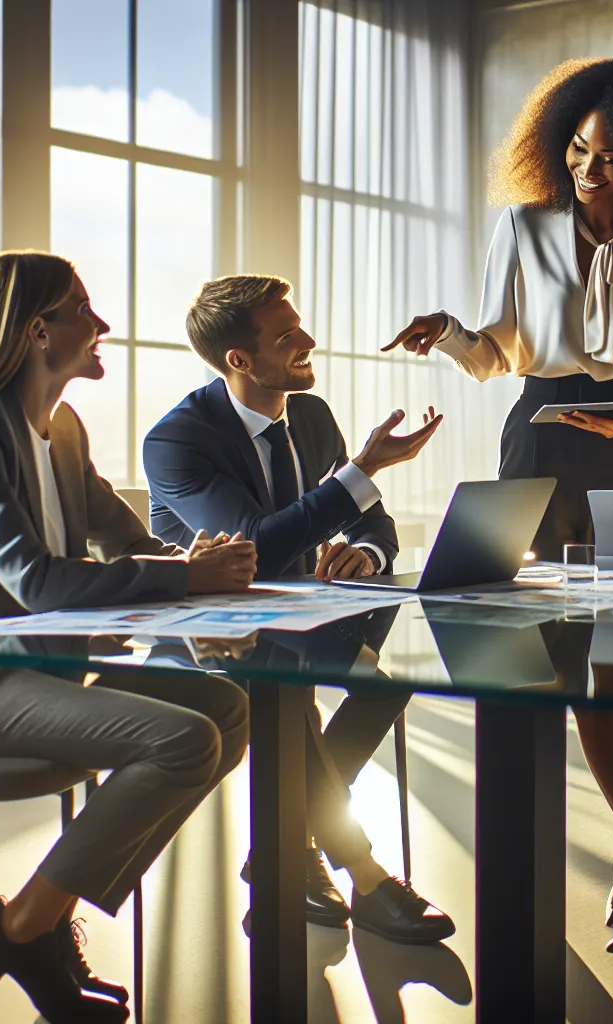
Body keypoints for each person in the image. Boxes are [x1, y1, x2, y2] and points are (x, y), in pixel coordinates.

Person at [381, 57, 613, 955]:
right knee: (528, 659)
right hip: (534, 437)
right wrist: (447, 334)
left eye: (609, 156)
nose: (587, 170)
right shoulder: (522, 226)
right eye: (576, 150)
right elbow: (497, 353)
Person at [0, 250, 257, 1023]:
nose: (102, 324)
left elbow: (128, 542)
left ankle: (40, 922)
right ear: (36, 330)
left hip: (33, 675)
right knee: (183, 741)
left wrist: (200, 564)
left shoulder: (63, 432)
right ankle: (27, 928)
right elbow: (37, 582)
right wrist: (185, 579)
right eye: (84, 309)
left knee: (225, 708)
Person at [141, 273, 455, 944]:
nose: (308, 340)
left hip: (294, 620)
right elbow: (255, 546)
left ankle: (284, 846)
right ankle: (365, 875)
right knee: (285, 700)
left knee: (382, 686)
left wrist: (364, 553)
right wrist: (361, 471)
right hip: (207, 634)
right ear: (239, 359)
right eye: (287, 336)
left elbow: (370, 521)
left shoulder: (309, 417)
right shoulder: (178, 440)